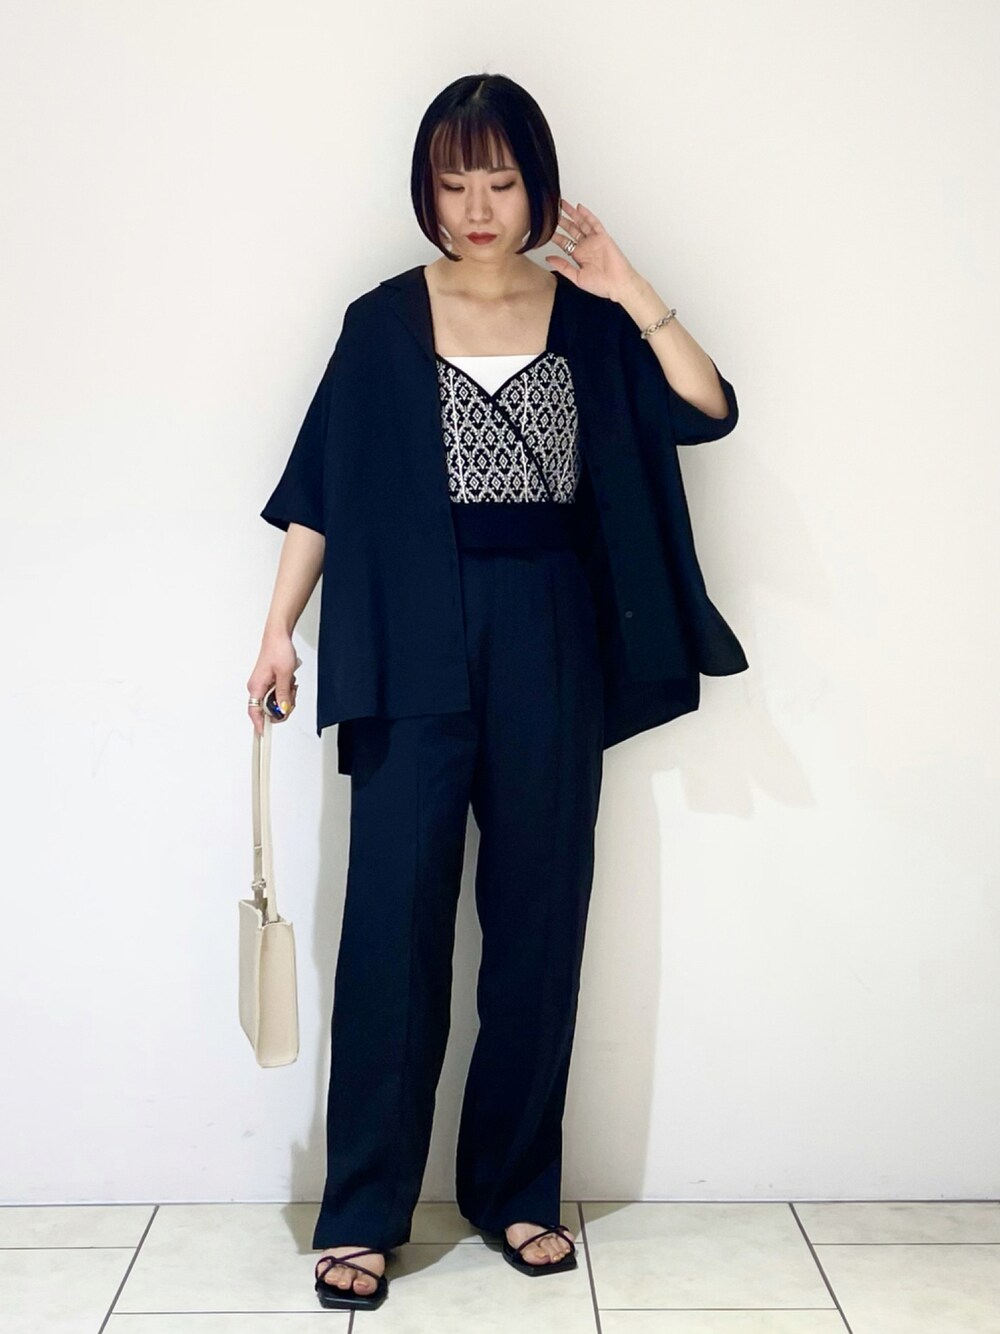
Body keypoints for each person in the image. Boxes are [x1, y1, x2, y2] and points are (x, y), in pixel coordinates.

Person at [247, 72, 745, 1313]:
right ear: (427, 190)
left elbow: (707, 406)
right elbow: (321, 489)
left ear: (538, 185)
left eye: (502, 180)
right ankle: (363, 1209)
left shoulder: (587, 318)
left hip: (547, 630)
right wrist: (276, 631)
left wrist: (627, 286)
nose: (478, 206)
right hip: (407, 632)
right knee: (392, 926)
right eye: (454, 181)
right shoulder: (379, 322)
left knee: (537, 916)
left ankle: (517, 1187)